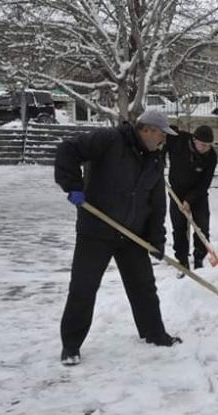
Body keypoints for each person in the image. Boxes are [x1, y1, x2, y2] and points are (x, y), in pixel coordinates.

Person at [54, 110, 182, 366]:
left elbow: (156, 204)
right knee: (83, 287)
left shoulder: (155, 159)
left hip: (131, 235)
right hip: (96, 230)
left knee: (143, 287)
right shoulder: (110, 140)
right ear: (146, 130)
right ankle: (71, 345)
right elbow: (68, 149)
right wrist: (73, 185)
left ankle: (154, 333)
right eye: (161, 135)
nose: (162, 141)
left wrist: (157, 240)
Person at [164, 125, 218, 271]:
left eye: (208, 145)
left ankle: (199, 259)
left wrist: (189, 200)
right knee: (179, 228)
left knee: (202, 227)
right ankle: (182, 261)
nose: (205, 148)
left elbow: (205, 183)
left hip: (198, 194)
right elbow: (166, 138)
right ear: (194, 140)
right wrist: (160, 160)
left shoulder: (211, 157)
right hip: (177, 192)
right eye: (202, 144)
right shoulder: (179, 140)